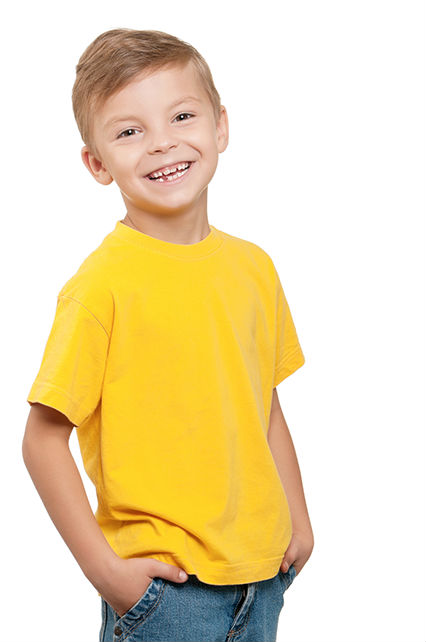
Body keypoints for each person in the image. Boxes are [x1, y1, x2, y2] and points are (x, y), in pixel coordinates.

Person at [22, 28, 314, 642]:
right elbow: (43, 440)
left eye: (182, 116)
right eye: (130, 131)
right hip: (166, 595)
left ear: (220, 126)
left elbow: (262, 402)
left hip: (263, 578)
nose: (162, 143)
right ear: (97, 164)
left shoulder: (254, 268)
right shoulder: (102, 286)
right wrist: (107, 573)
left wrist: (297, 515)